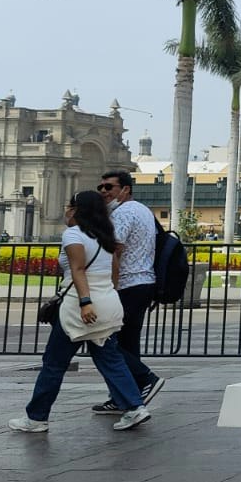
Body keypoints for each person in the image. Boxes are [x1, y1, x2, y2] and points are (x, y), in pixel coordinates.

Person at [10, 191, 150, 433]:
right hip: (107, 302)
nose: (66, 210)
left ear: (77, 209)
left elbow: (78, 270)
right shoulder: (105, 236)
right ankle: (135, 406)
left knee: (54, 364)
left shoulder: (73, 234)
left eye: (69, 206)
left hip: (80, 308)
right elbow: (115, 271)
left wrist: (86, 301)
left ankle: (36, 417)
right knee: (111, 359)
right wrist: (106, 293)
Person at [89, 170, 165, 414]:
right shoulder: (143, 210)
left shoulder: (122, 213)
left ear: (125, 189)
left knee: (105, 341)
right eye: (101, 187)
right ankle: (125, 398)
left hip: (126, 284)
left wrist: (107, 285)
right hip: (143, 283)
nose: (103, 192)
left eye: (109, 187)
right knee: (128, 343)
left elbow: (115, 251)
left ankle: (146, 379)